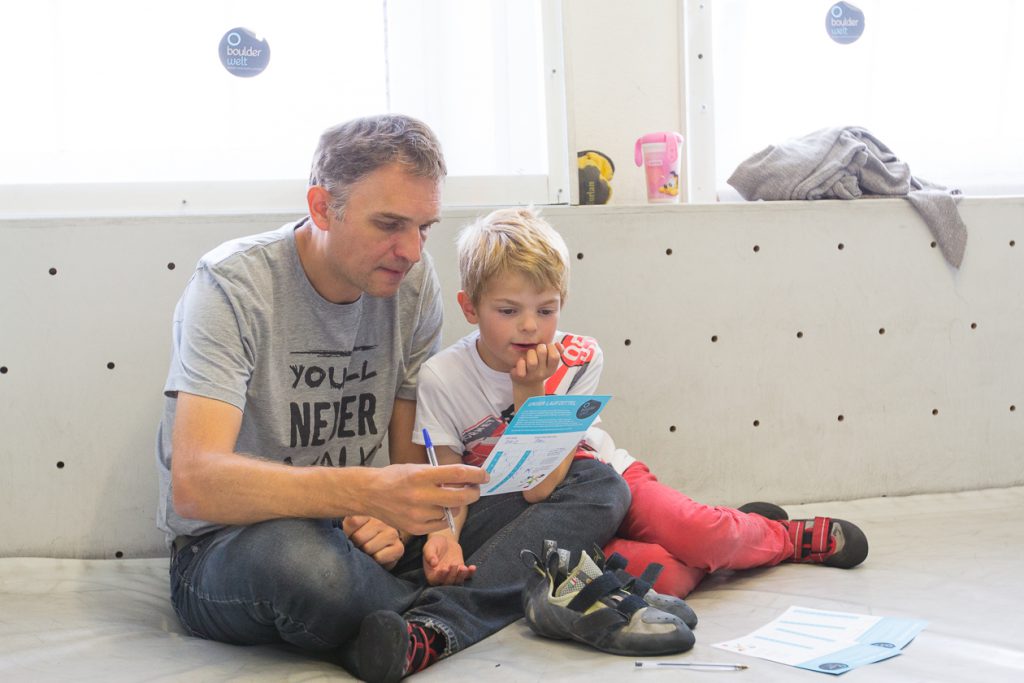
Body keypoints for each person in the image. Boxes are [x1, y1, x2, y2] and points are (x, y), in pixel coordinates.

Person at [155, 116, 630, 683]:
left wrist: (423, 532)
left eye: (424, 228)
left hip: (368, 532)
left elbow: (415, 458)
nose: (409, 250)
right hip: (240, 545)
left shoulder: (411, 281)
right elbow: (196, 483)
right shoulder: (232, 285)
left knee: (595, 485)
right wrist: (363, 494)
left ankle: (420, 631)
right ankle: (463, 606)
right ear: (322, 206)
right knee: (307, 568)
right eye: (389, 224)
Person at [412, 207, 869, 603]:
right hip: (539, 517)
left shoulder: (580, 356)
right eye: (508, 311)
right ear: (470, 307)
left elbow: (543, 481)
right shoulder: (442, 377)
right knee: (665, 576)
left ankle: (779, 538)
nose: (530, 327)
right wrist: (443, 537)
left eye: (546, 310)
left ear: (562, 303)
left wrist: (531, 390)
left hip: (602, 476)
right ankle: (739, 534)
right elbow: (455, 488)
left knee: (700, 534)